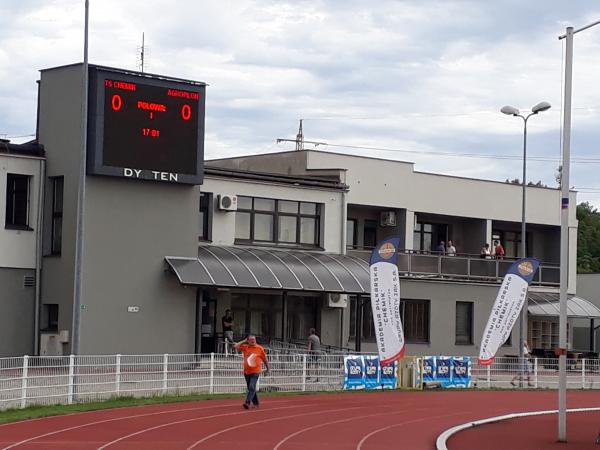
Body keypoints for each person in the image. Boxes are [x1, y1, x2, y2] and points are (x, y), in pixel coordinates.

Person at [234, 335, 270, 409]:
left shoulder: (259, 348)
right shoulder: (245, 347)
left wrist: (268, 369)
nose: (253, 341)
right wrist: (244, 341)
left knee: (251, 387)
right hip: (247, 372)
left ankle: (247, 402)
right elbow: (235, 346)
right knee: (251, 389)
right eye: (251, 340)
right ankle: (256, 403)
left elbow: (265, 359)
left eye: (254, 339)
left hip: (255, 371)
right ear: (248, 341)